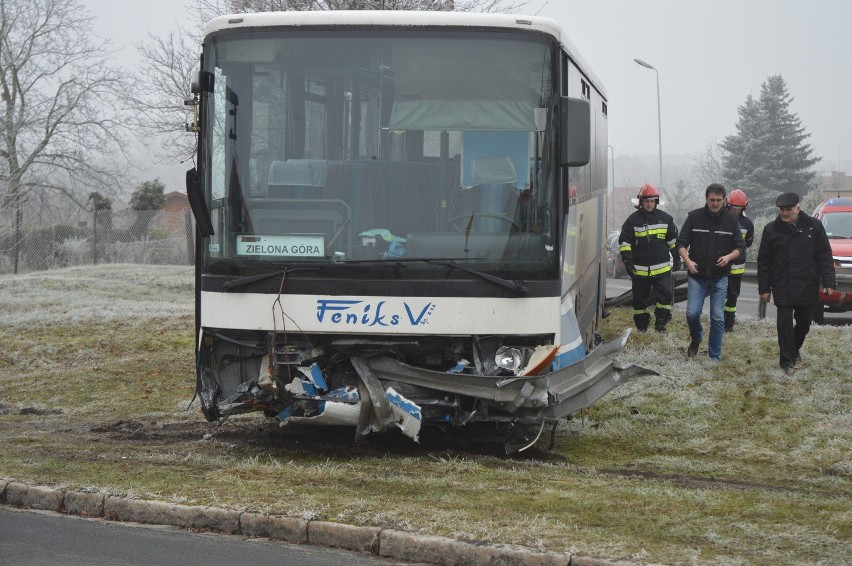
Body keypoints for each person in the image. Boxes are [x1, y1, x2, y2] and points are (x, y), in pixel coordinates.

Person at [757, 192, 836, 374]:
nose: (785, 213)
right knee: (783, 324)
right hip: (782, 284)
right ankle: (787, 360)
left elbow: (824, 256)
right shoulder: (771, 230)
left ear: (798, 209)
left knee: (804, 323)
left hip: (807, 284)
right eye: (782, 210)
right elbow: (764, 261)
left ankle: (794, 349)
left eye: (789, 210)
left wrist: (829, 282)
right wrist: (764, 288)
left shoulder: (814, 227)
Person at [675, 183, 745, 361]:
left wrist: (729, 257)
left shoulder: (731, 221)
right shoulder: (694, 217)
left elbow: (740, 247)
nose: (715, 203)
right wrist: (688, 261)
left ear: (724, 200)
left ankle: (714, 356)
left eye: (719, 200)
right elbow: (681, 243)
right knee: (692, 313)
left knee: (718, 317)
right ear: (706, 199)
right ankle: (697, 337)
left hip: (719, 278)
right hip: (697, 276)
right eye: (712, 200)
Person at [618, 184, 679, 332]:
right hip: (640, 269)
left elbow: (673, 241)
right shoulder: (632, 220)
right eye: (646, 201)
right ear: (641, 202)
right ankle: (642, 328)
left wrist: (677, 258)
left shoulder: (666, 219)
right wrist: (627, 259)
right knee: (639, 301)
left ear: (656, 201)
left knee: (665, 297)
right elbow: (625, 242)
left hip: (662, 268)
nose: (649, 204)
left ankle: (661, 325)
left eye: (652, 201)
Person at [723, 189, 755, 331]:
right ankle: (719, 319)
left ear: (744, 206)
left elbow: (748, 243)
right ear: (727, 204)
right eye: (733, 206)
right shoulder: (720, 219)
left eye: (739, 207)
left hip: (737, 265)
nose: (736, 209)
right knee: (720, 293)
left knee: (733, 294)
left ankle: (729, 322)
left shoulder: (748, 224)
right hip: (722, 264)